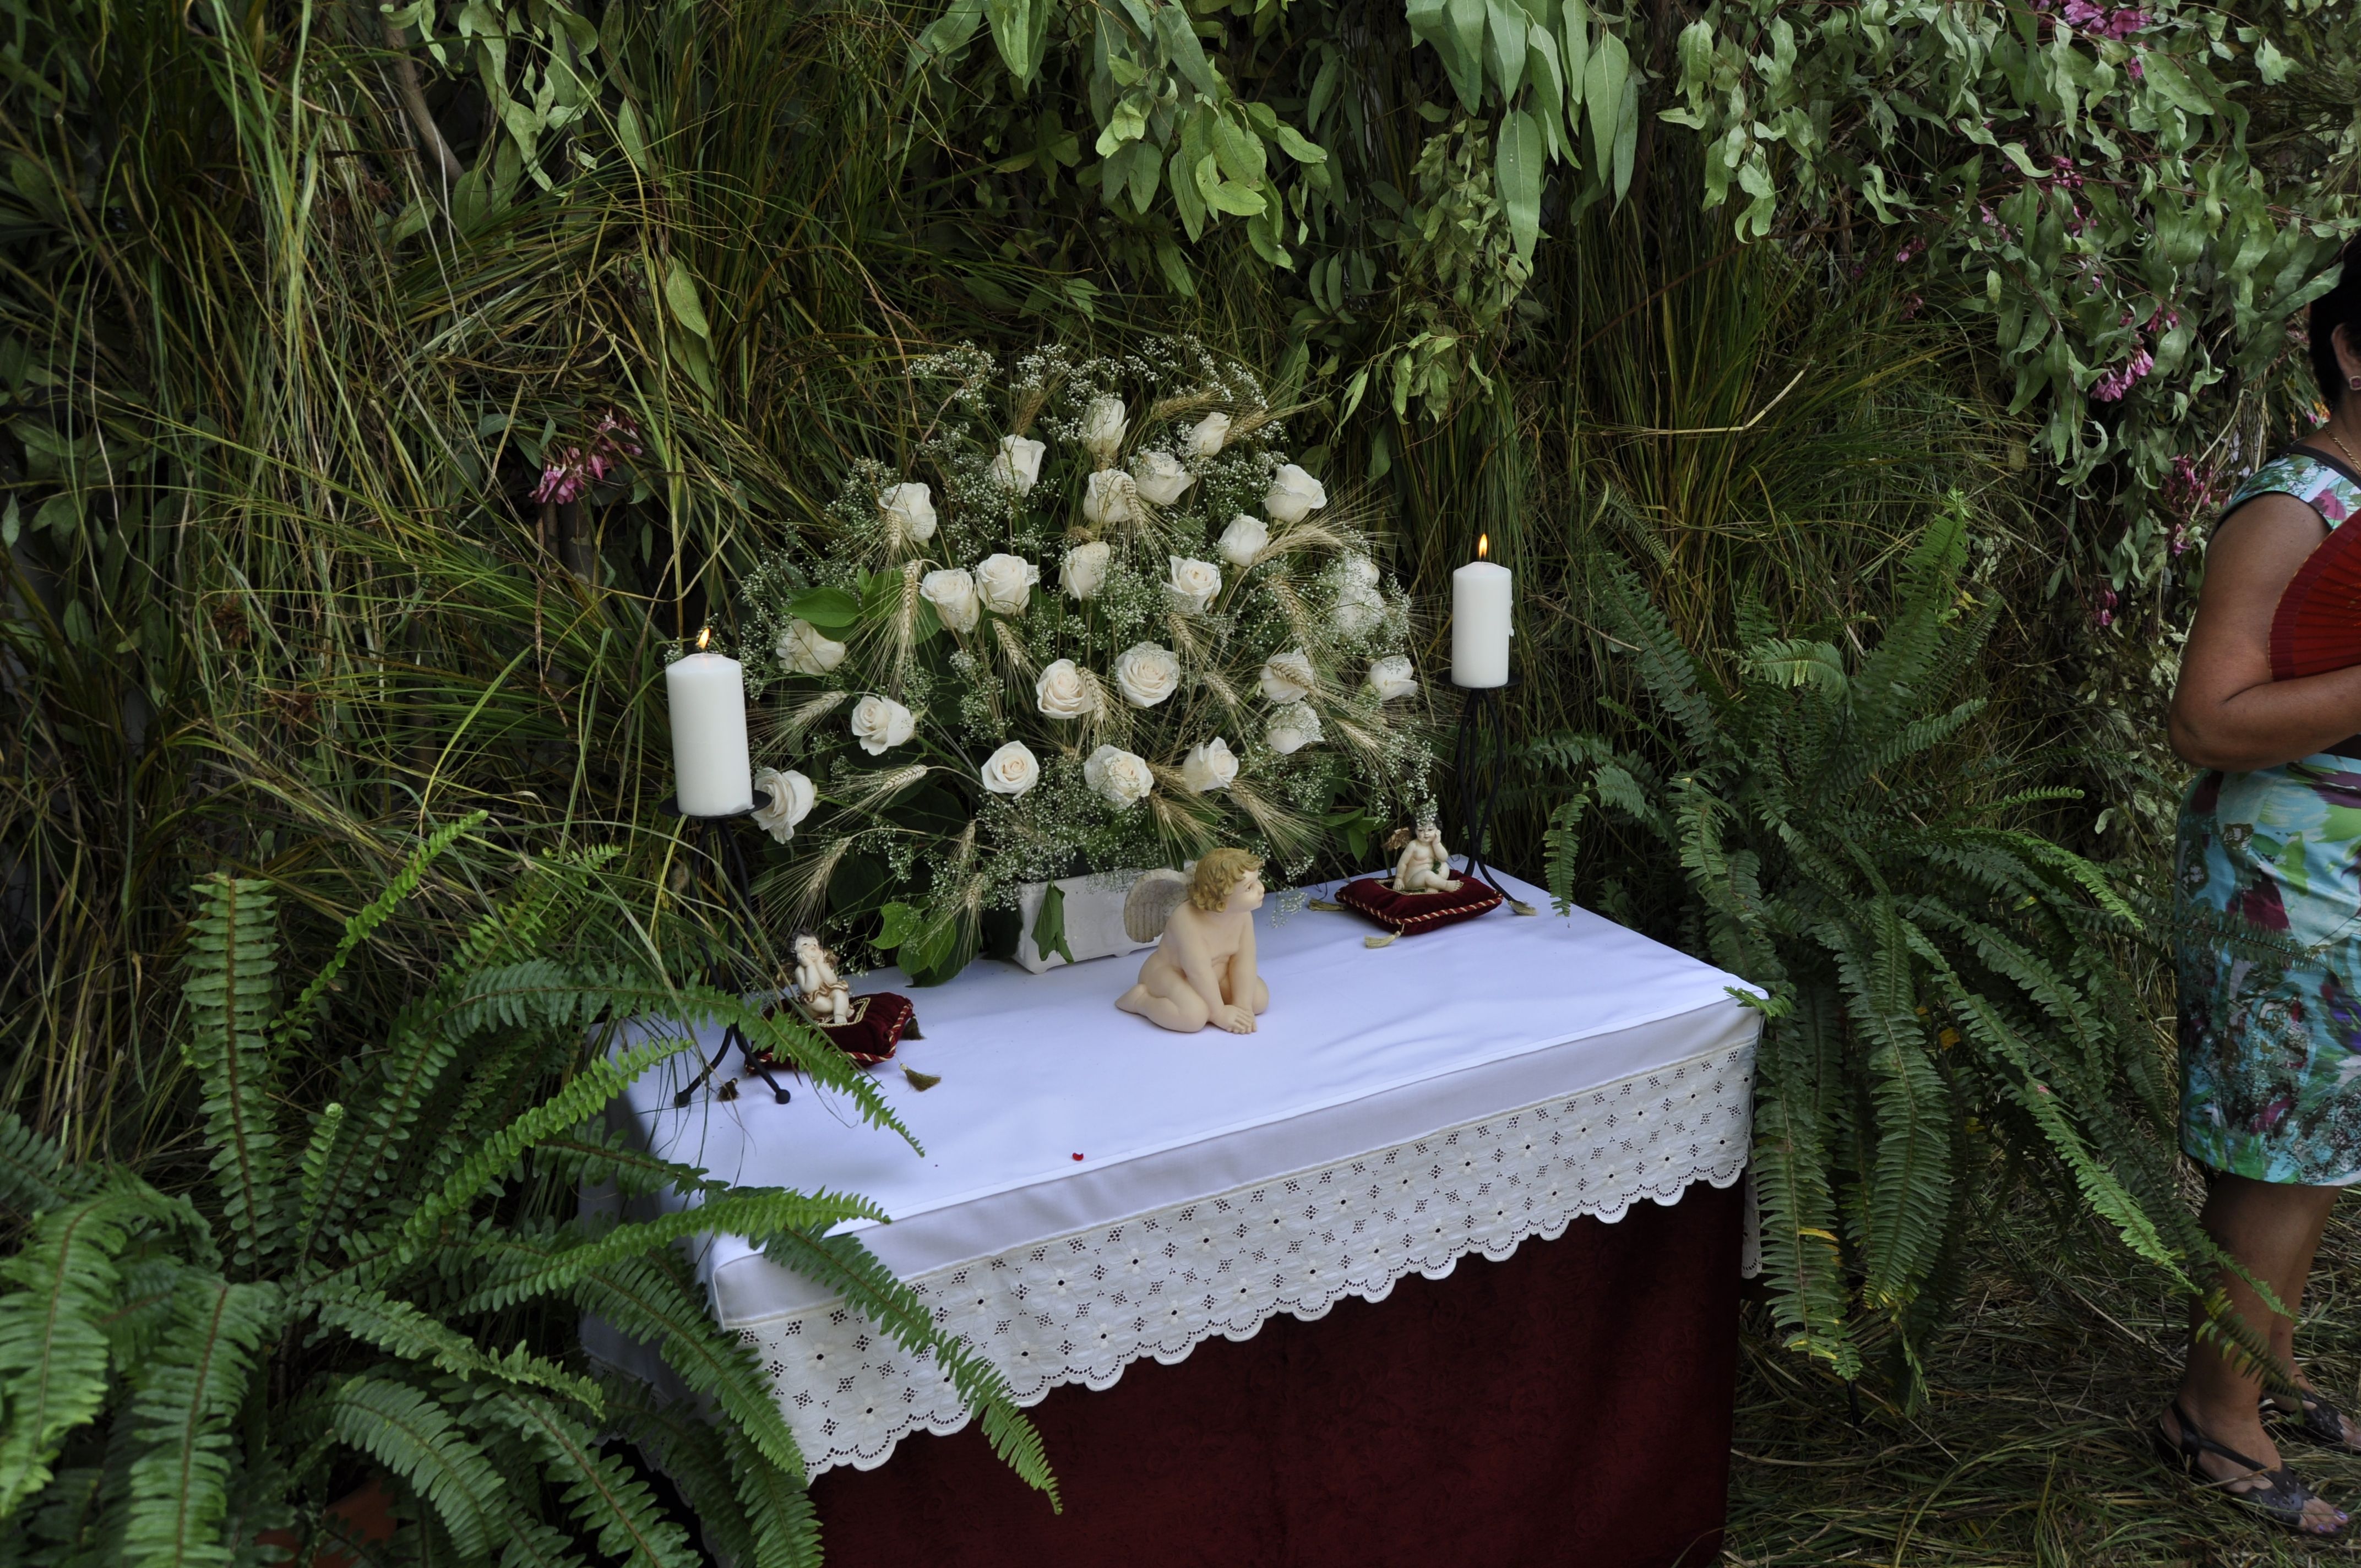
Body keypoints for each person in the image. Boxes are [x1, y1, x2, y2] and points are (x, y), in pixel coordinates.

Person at [2163, 238, 2361, 1534]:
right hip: (2283, 883)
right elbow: (2205, 717)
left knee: (2324, 1148)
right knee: (2282, 1155)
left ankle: (2267, 1361)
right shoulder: (2294, 507)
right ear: (2349, 349)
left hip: (2346, 875)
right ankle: (2205, 1411)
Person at [1116, 848, 1270, 1033]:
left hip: (1214, 974)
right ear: (1221, 897)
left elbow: (1244, 961)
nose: (1261, 890)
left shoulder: (1242, 915)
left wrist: (1243, 1007)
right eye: (1249, 888)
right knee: (1194, 1017)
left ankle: (1209, 1001)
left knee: (1258, 1000)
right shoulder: (1186, 919)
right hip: (1170, 973)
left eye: (1257, 881)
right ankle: (1141, 1001)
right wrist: (1219, 1013)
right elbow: (1198, 971)